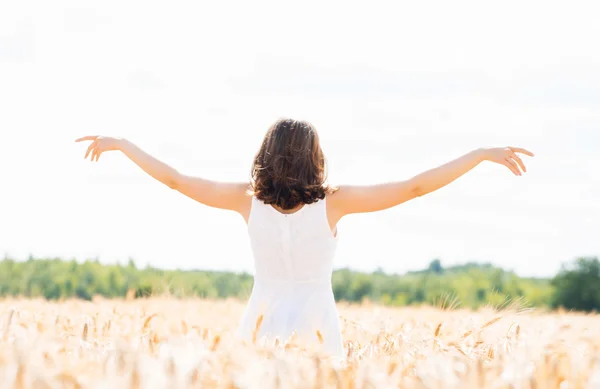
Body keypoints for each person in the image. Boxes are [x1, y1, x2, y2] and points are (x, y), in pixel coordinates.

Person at [75, 118, 533, 357]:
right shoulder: (334, 203)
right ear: (315, 158)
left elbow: (175, 180)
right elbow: (414, 187)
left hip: (260, 319)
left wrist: (123, 144)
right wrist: (478, 154)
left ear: (265, 155)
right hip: (318, 326)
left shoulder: (244, 199)